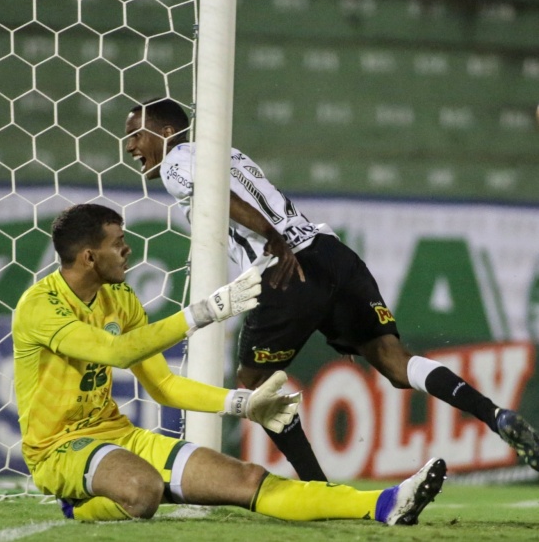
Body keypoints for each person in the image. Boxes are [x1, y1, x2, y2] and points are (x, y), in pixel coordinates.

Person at [122, 98, 539, 482]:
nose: (129, 146)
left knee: (253, 382)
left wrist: (273, 237)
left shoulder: (177, 161)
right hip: (330, 253)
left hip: (284, 268)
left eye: (135, 134)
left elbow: (223, 199)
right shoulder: (229, 155)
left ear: (164, 131)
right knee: (395, 362)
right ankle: (494, 414)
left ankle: (317, 485)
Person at [12, 202, 445, 524]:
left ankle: (384, 504)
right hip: (58, 450)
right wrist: (202, 313)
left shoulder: (119, 298)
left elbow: (162, 385)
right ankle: (78, 507)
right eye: (118, 243)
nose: (128, 250)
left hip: (116, 435)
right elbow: (117, 353)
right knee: (141, 490)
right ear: (89, 256)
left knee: (247, 480)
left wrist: (243, 403)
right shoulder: (40, 306)